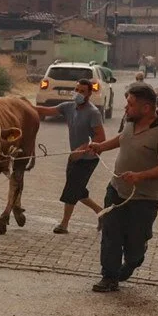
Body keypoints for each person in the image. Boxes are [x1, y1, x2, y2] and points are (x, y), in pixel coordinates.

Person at [78, 82, 158, 293]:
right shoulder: (130, 121)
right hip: (116, 191)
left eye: (130, 105)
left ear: (146, 109)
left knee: (134, 246)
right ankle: (109, 277)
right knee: (111, 234)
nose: (125, 108)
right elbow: (123, 138)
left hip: (144, 200)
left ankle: (134, 259)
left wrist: (140, 176)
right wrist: (101, 147)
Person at [34, 80, 106, 234]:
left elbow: (101, 137)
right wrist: (23, 106)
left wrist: (83, 149)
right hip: (73, 157)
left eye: (82, 91)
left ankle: (64, 224)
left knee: (71, 190)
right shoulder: (68, 107)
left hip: (88, 159)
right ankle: (102, 212)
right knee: (78, 191)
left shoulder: (93, 112)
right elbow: (46, 111)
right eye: (77, 89)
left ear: (88, 94)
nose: (78, 93)